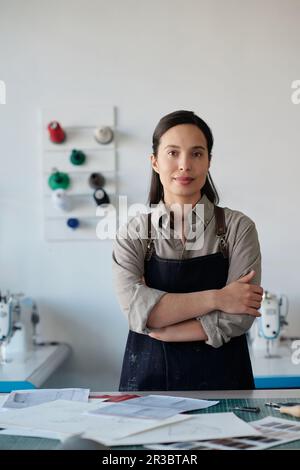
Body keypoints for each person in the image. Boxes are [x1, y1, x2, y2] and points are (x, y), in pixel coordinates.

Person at [112, 110, 263, 391]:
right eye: (172, 153)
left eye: (196, 153)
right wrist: (219, 298)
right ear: (155, 162)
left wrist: (165, 330)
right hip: (148, 390)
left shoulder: (238, 228)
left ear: (208, 162)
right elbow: (137, 311)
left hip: (226, 386)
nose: (184, 165)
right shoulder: (134, 232)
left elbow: (240, 315)